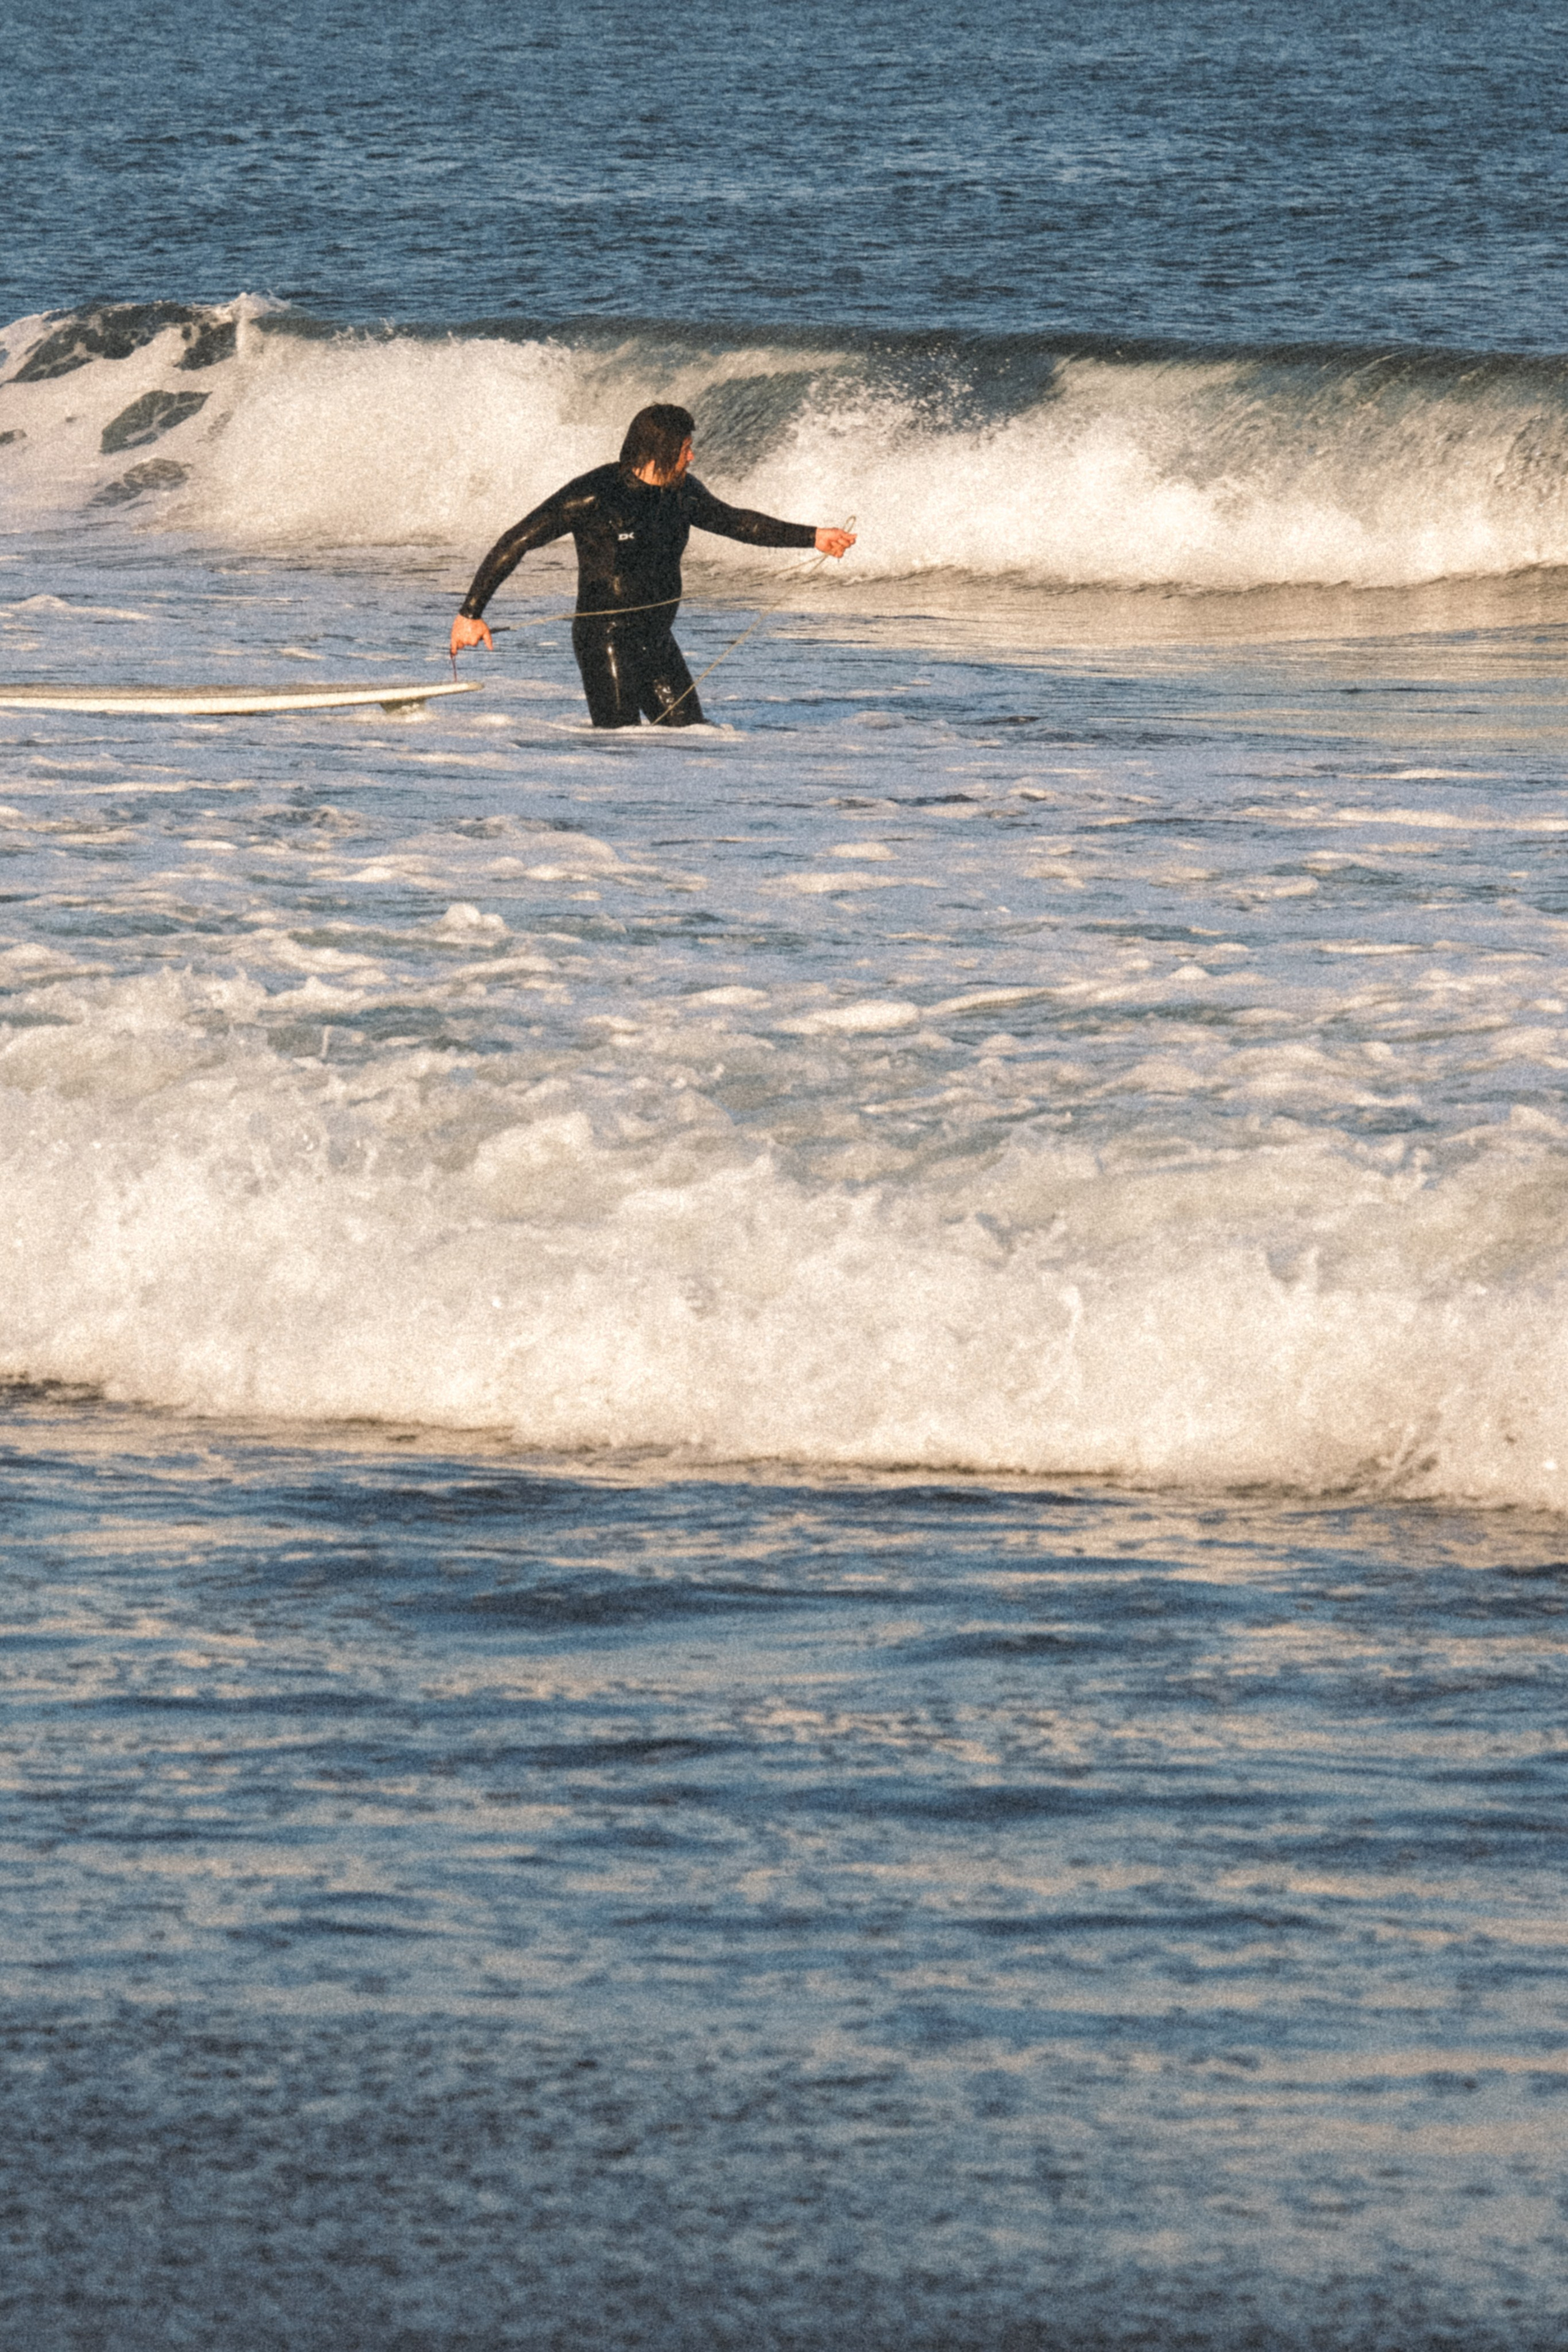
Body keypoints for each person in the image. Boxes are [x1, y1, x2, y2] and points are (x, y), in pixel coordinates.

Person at [448, 403, 856, 727]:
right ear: (662, 450)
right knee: (621, 746)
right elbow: (516, 541)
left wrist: (814, 536)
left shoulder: (684, 494)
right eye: (685, 448)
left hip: (658, 639)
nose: (692, 457)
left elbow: (737, 522)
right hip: (605, 639)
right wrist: (471, 613)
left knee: (692, 739)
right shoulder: (595, 495)